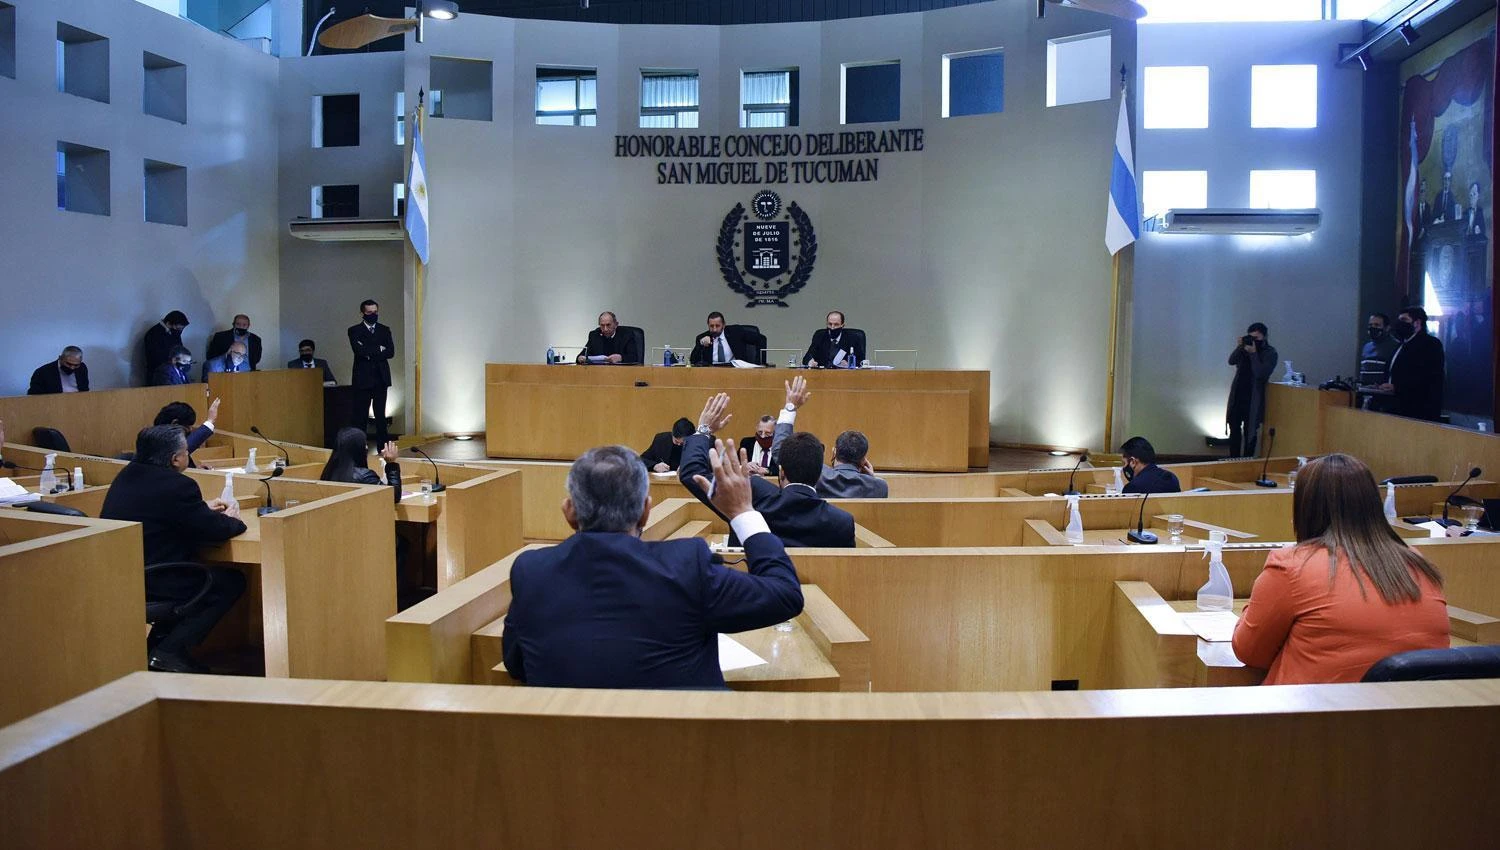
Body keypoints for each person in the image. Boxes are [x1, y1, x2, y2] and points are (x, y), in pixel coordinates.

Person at [502, 443, 803, 689]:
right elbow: (785, 594)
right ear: (646, 511)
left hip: (564, 744)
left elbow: (517, 663)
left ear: (569, 512)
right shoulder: (686, 565)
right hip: (683, 743)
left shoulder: (531, 571)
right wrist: (742, 512)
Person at [1231, 453, 1448, 684]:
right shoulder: (1416, 562)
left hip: (1315, 706)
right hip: (1416, 706)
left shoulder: (1292, 565)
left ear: (1305, 510)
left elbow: (1249, 651)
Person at [99, 425, 248, 674]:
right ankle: (169, 651)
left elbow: (163, 510)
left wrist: (200, 509)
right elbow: (216, 530)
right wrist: (232, 519)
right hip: (157, 578)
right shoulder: (179, 486)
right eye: (187, 452)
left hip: (123, 575)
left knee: (202, 578)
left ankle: (155, 650)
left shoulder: (126, 476)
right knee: (230, 582)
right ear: (175, 459)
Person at [680, 386, 856, 548]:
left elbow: (693, 474)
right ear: (818, 475)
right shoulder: (842, 522)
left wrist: (703, 430)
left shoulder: (751, 496)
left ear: (781, 472)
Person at [768, 376, 887, 498]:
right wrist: (872, 480)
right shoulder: (880, 487)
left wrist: (790, 407)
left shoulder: (816, 474)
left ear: (834, 452)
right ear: (863, 461)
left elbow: (782, 452)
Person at [1382, 305, 1445, 421]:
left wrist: (1398, 387)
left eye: (1404, 320)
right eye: (1399, 320)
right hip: (1396, 407)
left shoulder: (1431, 345)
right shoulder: (1401, 345)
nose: (1400, 324)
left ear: (1417, 323)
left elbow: (1429, 377)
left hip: (1418, 411)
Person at [1225, 322, 1278, 458]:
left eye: (1257, 338)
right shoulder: (1244, 349)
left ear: (1264, 337)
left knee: (1250, 433)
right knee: (1234, 430)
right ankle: (1233, 461)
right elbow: (1231, 361)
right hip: (1238, 396)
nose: (1254, 341)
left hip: (1254, 399)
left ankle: (1247, 462)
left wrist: (1254, 354)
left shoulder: (1270, 353)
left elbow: (1260, 373)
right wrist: (1240, 346)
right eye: (1251, 337)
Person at [348, 299, 396, 444]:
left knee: (380, 415)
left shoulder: (384, 329)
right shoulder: (354, 330)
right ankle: (360, 446)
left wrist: (369, 351)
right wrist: (379, 349)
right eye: (369, 312)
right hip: (363, 379)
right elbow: (359, 351)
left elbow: (390, 352)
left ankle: (383, 447)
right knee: (361, 415)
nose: (373, 315)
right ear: (362, 313)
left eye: (375, 312)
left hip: (381, 378)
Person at [320, 427, 401, 503]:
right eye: (364, 444)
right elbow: (393, 496)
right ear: (358, 448)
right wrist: (391, 464)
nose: (366, 447)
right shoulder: (365, 476)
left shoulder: (328, 472)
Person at [154, 397, 222, 464]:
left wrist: (195, 468)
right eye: (188, 426)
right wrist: (210, 421)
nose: (190, 429)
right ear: (175, 423)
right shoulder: (158, 440)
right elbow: (182, 448)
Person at [576, 311, 640, 365]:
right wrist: (580, 358)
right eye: (602, 325)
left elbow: (634, 357)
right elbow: (582, 355)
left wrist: (621, 358)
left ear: (616, 324)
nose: (605, 329)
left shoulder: (626, 335)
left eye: (608, 325)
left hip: (621, 371)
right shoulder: (594, 335)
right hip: (599, 372)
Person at [143, 310, 190, 378]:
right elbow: (155, 358)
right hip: (159, 375)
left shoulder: (174, 333)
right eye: (178, 328)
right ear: (168, 323)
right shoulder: (153, 334)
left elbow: (180, 350)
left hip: (174, 373)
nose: (180, 331)